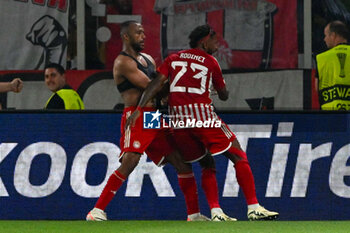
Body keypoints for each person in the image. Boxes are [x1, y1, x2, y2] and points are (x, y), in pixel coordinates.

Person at [126, 24, 279, 220]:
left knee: (207, 162)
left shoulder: (174, 58)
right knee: (238, 155)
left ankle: (215, 211)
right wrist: (218, 90)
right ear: (204, 41)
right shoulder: (210, 61)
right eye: (215, 40)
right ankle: (254, 207)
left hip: (179, 123)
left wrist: (139, 109)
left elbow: (156, 84)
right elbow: (223, 96)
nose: (218, 43)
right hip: (203, 118)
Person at [86, 20, 235, 222]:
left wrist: (186, 87)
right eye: (138, 33)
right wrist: (191, 85)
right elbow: (152, 85)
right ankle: (96, 211)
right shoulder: (123, 62)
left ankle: (194, 215)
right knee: (130, 161)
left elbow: (162, 90)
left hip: (154, 116)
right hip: (137, 115)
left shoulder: (148, 59)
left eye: (144, 32)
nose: (143, 36)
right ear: (126, 37)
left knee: (181, 162)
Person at [316, 20, 350, 110]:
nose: (324, 39)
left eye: (326, 35)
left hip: (329, 115)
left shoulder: (321, 58)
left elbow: (315, 88)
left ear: (333, 35)